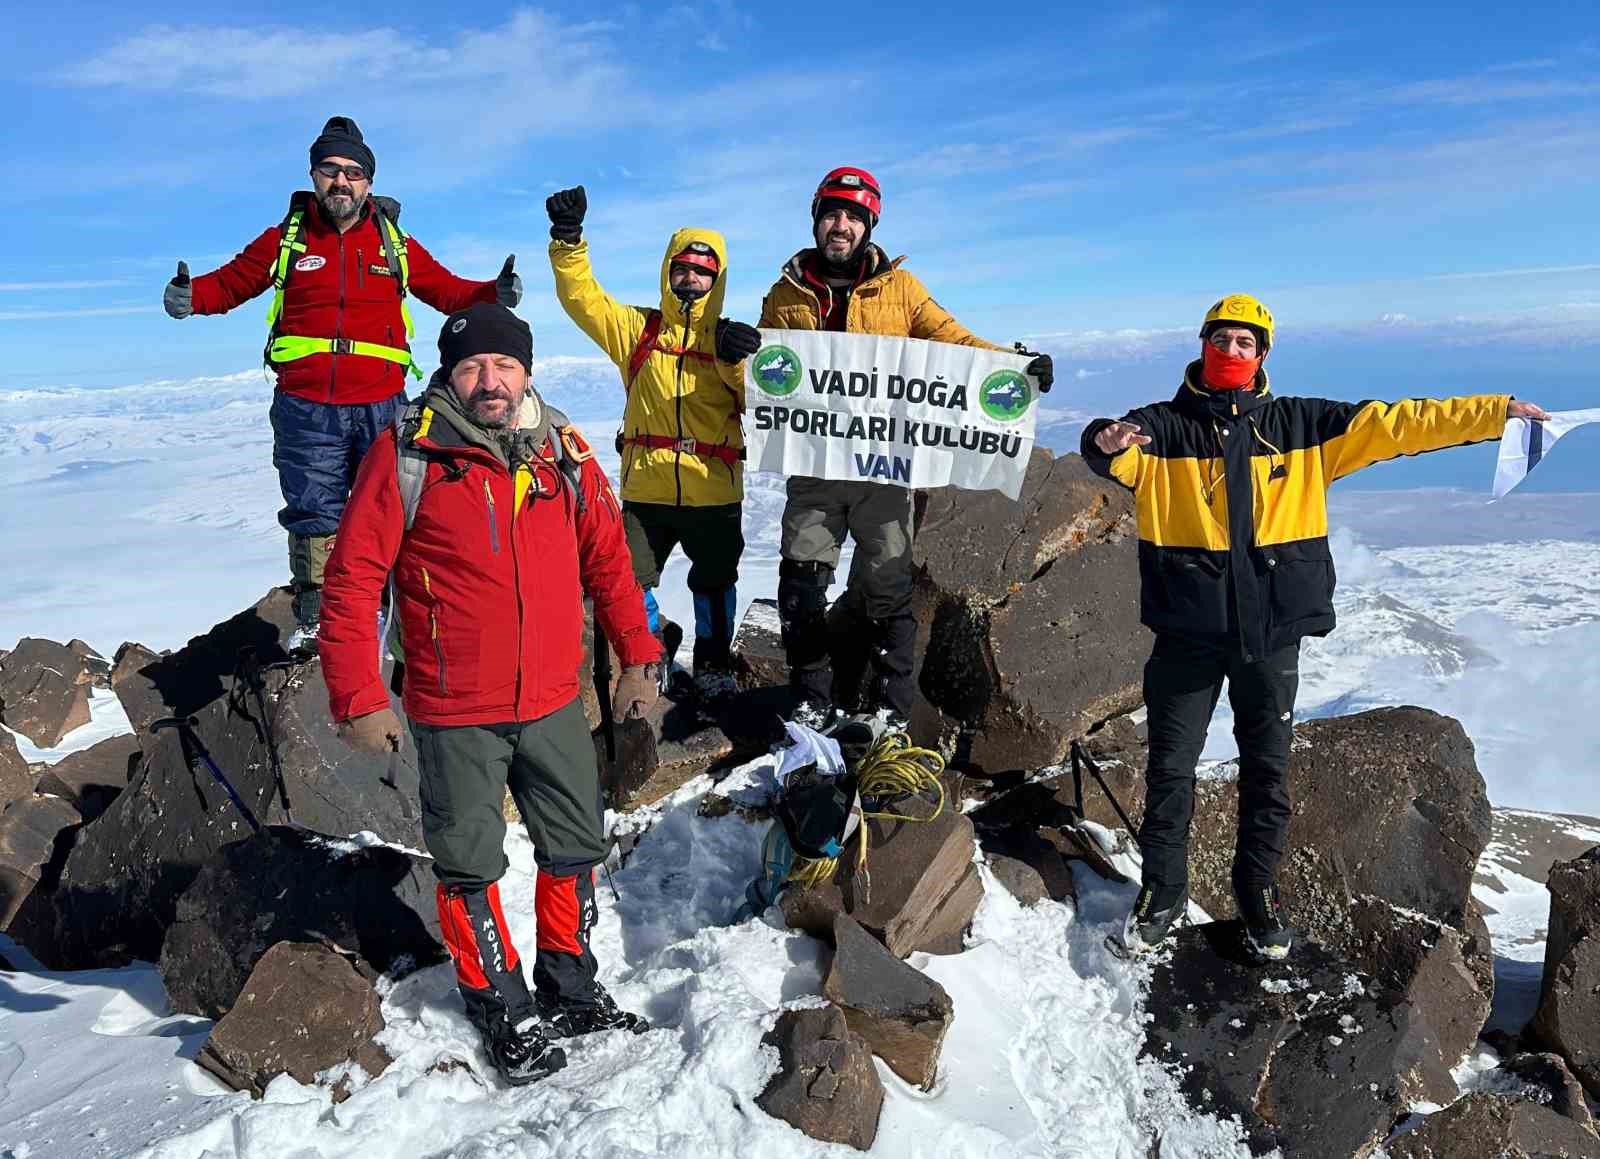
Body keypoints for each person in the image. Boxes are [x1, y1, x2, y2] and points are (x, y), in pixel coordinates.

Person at [1080, 293, 1550, 961]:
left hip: (1271, 635)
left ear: (1263, 353)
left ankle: (1257, 896)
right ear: (1203, 344)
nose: (1232, 352)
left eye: (1246, 342)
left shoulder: (1303, 425)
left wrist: (1494, 412)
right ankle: (1162, 895)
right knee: (1170, 768)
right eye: (1222, 339)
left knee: (1267, 773)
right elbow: (1112, 452)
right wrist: (1103, 439)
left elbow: (1400, 424)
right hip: (1188, 631)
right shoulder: (1161, 429)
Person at [319, 303, 661, 1085]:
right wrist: (359, 694)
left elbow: (609, 560)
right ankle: (497, 1001)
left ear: (527, 371)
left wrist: (638, 658)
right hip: (454, 705)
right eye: (473, 367)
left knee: (574, 847)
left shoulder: (563, 454)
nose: (490, 380)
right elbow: (353, 581)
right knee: (470, 865)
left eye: (505, 365)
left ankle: (570, 983)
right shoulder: (408, 452)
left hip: (551, 699)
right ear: (449, 373)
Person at [163, 116, 521, 649]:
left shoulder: (392, 242)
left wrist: (492, 292)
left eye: (353, 172)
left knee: (388, 506)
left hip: (382, 404)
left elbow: (445, 290)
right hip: (306, 404)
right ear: (313, 175)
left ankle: (397, 609)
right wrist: (193, 298)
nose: (342, 182)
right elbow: (235, 282)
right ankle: (318, 619)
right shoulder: (287, 238)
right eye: (331, 170)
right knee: (314, 509)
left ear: (368, 184)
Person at [761, 166, 1054, 719]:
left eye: (852, 216)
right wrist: (739, 354)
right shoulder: (786, 293)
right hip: (815, 468)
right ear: (816, 219)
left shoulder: (901, 289)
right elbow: (764, 377)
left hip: (882, 467)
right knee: (800, 584)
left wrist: (1015, 368)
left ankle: (891, 706)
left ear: (869, 224)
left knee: (887, 588)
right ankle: (809, 703)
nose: (840, 226)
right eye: (831, 214)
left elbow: (955, 340)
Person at [545, 185, 761, 697]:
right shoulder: (637, 330)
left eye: (703, 272)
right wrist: (568, 240)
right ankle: (648, 652)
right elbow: (581, 297)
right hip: (647, 492)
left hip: (715, 493)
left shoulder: (732, 342)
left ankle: (712, 665)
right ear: (668, 272)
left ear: (718, 279)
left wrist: (739, 360)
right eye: (681, 269)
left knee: (714, 584)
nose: (691, 279)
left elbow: (759, 402)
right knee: (628, 579)